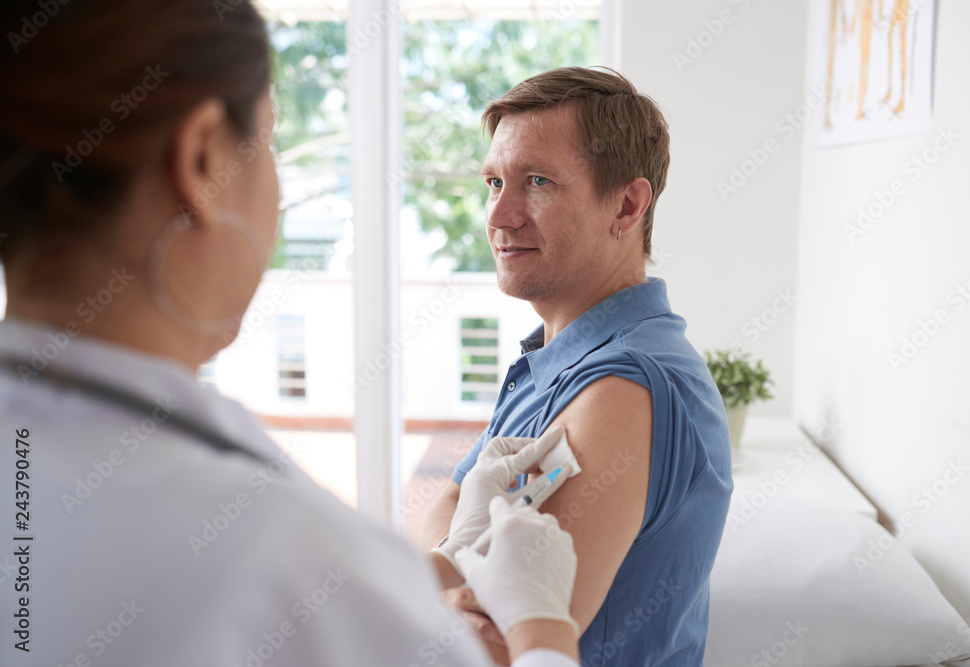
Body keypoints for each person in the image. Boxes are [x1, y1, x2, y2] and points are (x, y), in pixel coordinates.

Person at [0, 2, 581, 665]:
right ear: (202, 158)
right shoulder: (269, 552)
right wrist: (542, 624)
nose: (502, 214)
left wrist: (441, 566)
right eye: (269, 139)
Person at [419, 67, 734, 666]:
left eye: (536, 182)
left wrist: (445, 573)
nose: (499, 215)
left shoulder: (622, 386)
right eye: (493, 182)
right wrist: (453, 560)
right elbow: (447, 504)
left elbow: (501, 647)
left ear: (626, 204)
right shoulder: (558, 356)